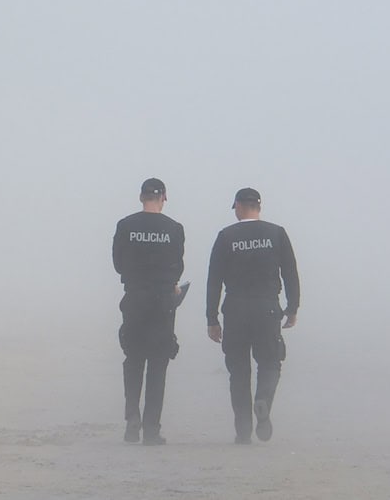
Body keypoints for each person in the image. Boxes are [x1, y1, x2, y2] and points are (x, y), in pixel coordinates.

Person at [206, 187, 300, 444]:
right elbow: (290, 273)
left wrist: (211, 318)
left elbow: (214, 280)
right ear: (259, 207)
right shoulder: (276, 234)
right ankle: (263, 401)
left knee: (238, 370)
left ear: (237, 206)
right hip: (267, 308)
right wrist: (292, 308)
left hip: (235, 308)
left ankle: (243, 430)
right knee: (270, 363)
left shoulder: (226, 236)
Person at [112, 178, 185, 445]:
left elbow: (118, 264)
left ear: (141, 197)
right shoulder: (174, 229)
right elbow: (178, 266)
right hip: (163, 303)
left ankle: (132, 418)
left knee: (133, 360)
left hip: (134, 299)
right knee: (158, 365)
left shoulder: (125, 225)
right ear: (164, 197)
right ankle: (152, 429)